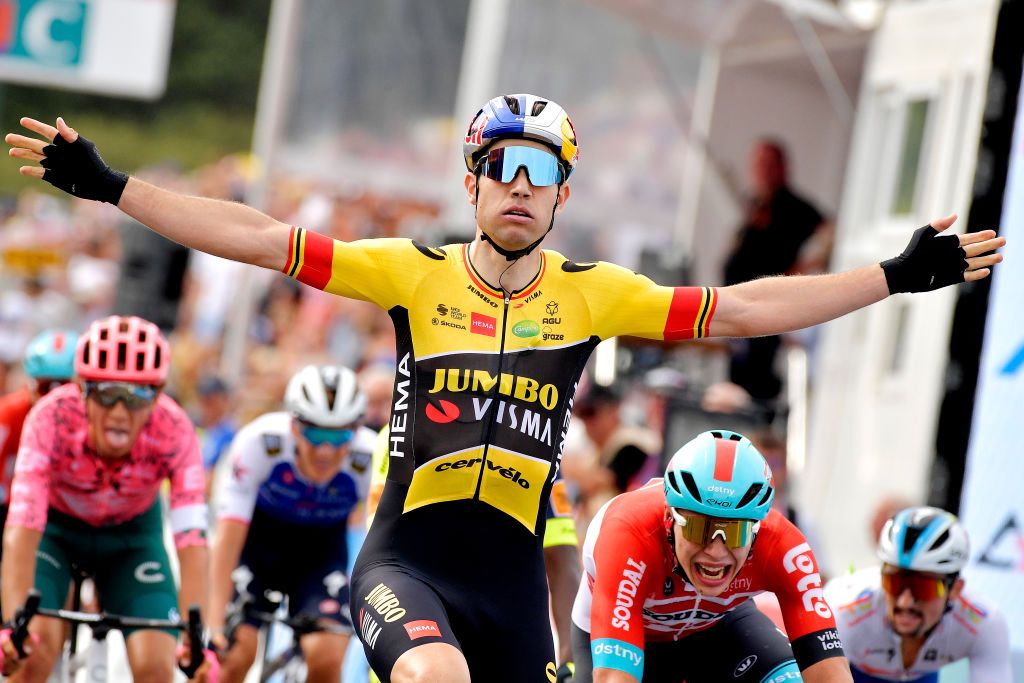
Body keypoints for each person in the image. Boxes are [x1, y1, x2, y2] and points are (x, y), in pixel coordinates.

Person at [4, 95, 1003, 683]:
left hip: (514, 589)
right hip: (410, 565)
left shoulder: (595, 295)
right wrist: (110, 184)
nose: (519, 185)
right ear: (474, 184)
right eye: (499, 167)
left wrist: (891, 273)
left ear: (563, 193)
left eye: (540, 170)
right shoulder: (410, 270)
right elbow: (261, 237)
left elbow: (742, 309)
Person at [0, 315, 215, 682]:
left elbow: (193, 538)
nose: (119, 411)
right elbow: (23, 524)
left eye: (137, 395)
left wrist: (198, 638)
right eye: (106, 392)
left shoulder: (176, 429)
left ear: (158, 395)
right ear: (82, 388)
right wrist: (11, 625)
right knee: (33, 653)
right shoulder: (50, 417)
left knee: (156, 669)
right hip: (56, 532)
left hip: (132, 540)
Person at [571, 430, 850, 682]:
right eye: (698, 528)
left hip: (717, 626)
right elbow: (616, 677)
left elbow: (830, 671)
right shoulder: (630, 533)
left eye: (735, 532)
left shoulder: (782, 544)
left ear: (756, 529)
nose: (715, 552)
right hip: (635, 635)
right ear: (670, 517)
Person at [208, 364, 375, 683]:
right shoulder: (260, 442)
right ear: (295, 426)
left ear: (356, 430)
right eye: (315, 433)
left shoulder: (368, 456)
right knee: (233, 656)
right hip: (254, 550)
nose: (326, 450)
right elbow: (227, 538)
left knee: (327, 657)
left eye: (339, 435)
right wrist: (214, 625)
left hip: (320, 557)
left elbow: (382, 542)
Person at [825, 507, 1011, 683]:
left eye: (923, 587)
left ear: (955, 589)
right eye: (894, 583)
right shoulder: (845, 610)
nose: (905, 602)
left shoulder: (984, 622)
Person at [720, 139, 833, 403]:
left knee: (757, 379)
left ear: (783, 168)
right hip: (737, 305)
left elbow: (830, 236)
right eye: (758, 165)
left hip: (764, 305)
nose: (762, 171)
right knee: (736, 378)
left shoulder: (794, 206)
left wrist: (799, 271)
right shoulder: (757, 204)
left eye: (769, 165)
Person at [0, 330, 77, 535]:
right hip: (16, 509)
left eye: (64, 387)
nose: (54, 399)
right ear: (31, 386)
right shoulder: (7, 414)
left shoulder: (94, 420)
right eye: (46, 387)